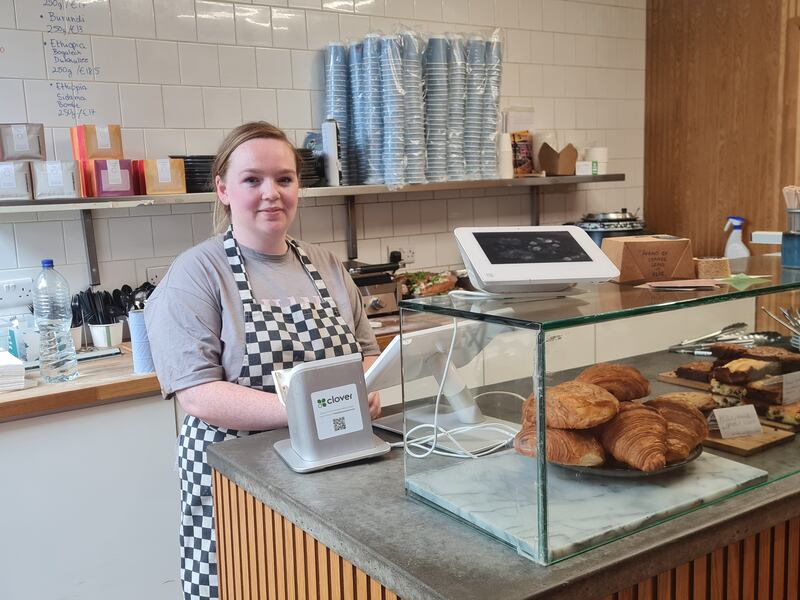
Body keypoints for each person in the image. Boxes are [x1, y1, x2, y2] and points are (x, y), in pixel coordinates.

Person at [145, 121, 381, 600]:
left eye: (284, 179)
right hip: (235, 480)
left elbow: (367, 355)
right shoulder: (197, 272)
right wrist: (310, 409)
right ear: (223, 189)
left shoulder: (328, 266)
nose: (271, 193)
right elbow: (198, 394)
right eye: (252, 179)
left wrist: (365, 390)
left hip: (331, 470)